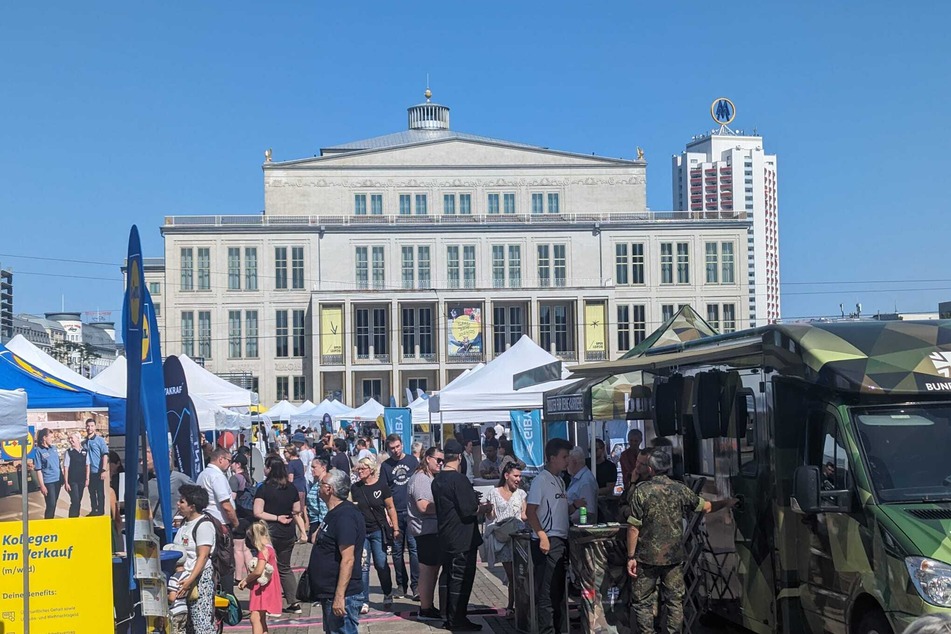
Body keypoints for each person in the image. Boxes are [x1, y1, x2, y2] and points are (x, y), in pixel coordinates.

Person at [626, 448, 737, 634]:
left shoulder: (641, 492)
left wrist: (631, 556)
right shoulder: (680, 489)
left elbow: (633, 527)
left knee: (643, 602)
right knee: (674, 601)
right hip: (673, 557)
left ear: (651, 469)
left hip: (646, 558)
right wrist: (726, 502)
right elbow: (706, 507)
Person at [432, 439, 491, 632]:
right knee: (461, 577)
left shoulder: (437, 480)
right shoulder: (459, 479)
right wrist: (484, 507)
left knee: (448, 576)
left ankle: (447, 616)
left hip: (445, 534)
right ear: (459, 457)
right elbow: (469, 509)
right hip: (462, 537)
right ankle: (457, 618)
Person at [305, 468, 363, 633]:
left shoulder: (345, 516)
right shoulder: (333, 513)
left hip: (343, 595)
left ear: (329, 489)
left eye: (321, 484)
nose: (318, 487)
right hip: (328, 592)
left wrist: (339, 596)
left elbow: (348, 559)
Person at [526, 438, 572, 634]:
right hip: (548, 541)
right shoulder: (541, 480)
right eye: (564, 457)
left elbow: (557, 510)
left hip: (561, 540)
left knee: (558, 591)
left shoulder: (560, 481)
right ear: (552, 458)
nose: (567, 460)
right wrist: (542, 536)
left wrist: (575, 506)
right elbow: (530, 512)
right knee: (546, 591)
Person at [253, 456, 308, 614]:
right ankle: (293, 601)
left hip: (268, 532)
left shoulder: (263, 488)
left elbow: (258, 512)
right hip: (287, 532)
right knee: (285, 567)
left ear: (270, 469)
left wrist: (276, 517)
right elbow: (297, 510)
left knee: (267, 567)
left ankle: (271, 603)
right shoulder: (291, 488)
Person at [351, 456, 399, 612]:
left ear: (371, 469)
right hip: (362, 532)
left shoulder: (382, 486)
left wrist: (396, 527)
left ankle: (387, 591)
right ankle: (364, 600)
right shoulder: (355, 488)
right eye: (358, 469)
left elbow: (390, 507)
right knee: (363, 566)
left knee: (381, 563)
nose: (359, 471)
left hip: (378, 530)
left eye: (362, 468)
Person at [483, 461, 527, 616]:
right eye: (515, 476)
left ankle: (518, 606)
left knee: (520, 574)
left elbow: (524, 515)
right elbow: (491, 516)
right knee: (512, 575)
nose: (518, 479)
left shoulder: (521, 494)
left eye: (520, 476)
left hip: (519, 539)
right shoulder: (494, 492)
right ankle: (512, 606)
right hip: (503, 540)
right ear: (506, 475)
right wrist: (487, 510)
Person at [380, 433, 420, 600]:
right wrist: (387, 514)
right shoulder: (386, 466)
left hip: (411, 512)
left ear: (402, 445)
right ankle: (401, 585)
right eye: (392, 448)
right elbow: (383, 492)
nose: (395, 451)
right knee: (397, 551)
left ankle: (416, 585)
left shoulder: (412, 461)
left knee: (414, 549)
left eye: (397, 447)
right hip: (395, 513)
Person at [173, 484, 217, 633]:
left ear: (192, 506)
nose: (178, 504)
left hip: (199, 579)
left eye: (182, 502)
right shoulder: (185, 523)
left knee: (201, 622)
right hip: (184, 578)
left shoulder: (204, 525)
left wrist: (190, 581)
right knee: (188, 624)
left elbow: (203, 556)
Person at [407, 446, 444, 621]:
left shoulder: (428, 477)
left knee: (432, 569)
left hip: (430, 529)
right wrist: (446, 508)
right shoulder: (421, 478)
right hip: (425, 530)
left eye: (442, 460)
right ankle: (426, 608)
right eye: (438, 459)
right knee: (428, 570)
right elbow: (423, 506)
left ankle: (428, 606)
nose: (441, 463)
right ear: (428, 458)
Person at [197, 447, 239, 593]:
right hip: (220, 524)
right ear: (221, 459)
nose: (230, 464)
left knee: (213, 560)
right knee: (225, 562)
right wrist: (235, 522)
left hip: (208, 521)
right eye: (229, 460)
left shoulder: (203, 474)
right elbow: (225, 504)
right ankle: (227, 596)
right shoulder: (217, 476)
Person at [239, 520, 283, 634]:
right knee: (261, 617)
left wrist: (246, 580)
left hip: (262, 589)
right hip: (269, 586)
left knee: (255, 618)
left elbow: (258, 571)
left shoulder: (263, 551)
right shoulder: (270, 547)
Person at [33, 428, 62, 519]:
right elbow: (38, 470)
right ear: (44, 438)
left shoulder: (54, 448)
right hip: (48, 482)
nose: (52, 439)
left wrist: (63, 478)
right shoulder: (38, 451)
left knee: (54, 504)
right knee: (51, 504)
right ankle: (47, 523)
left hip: (57, 480)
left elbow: (58, 464)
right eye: (51, 437)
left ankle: (51, 521)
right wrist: (42, 485)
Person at [82, 418, 109, 516]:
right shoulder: (84, 442)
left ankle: (101, 512)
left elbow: (105, 455)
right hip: (89, 473)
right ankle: (94, 510)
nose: (89, 428)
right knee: (91, 493)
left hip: (98, 471)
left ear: (95, 427)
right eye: (88, 426)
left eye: (92, 426)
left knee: (100, 493)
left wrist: (104, 470)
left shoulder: (100, 440)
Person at [566, 446, 599, 524]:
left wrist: (569, 519)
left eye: (568, 462)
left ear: (574, 462)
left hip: (580, 530)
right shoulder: (577, 479)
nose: (566, 464)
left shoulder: (585, 482)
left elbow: (589, 512)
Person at [62, 432, 88, 518]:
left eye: (72, 438)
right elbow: (66, 467)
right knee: (75, 500)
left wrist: (87, 479)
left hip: (82, 480)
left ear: (78, 439)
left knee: (79, 500)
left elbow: (87, 465)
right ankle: (72, 519)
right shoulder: (68, 452)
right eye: (69, 438)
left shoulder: (85, 451)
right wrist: (66, 482)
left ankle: (76, 517)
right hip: (72, 481)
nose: (70, 440)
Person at [165, 546, 190, 634]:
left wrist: (165, 597)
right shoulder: (188, 575)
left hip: (175, 611)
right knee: (182, 631)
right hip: (184, 609)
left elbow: (172, 598)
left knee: (173, 631)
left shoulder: (174, 578)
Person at [306, 457, 330, 539]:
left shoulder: (324, 485)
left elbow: (324, 510)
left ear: (323, 468)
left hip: (319, 524)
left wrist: (318, 530)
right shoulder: (317, 483)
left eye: (314, 467)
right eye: (311, 467)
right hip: (314, 522)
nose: (312, 470)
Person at [284, 445, 308, 529]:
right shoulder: (299, 461)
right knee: (301, 511)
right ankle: (305, 528)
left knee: (295, 513)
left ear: (290, 453)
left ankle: (300, 532)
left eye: (285, 452)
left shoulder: (291, 464)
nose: (284, 454)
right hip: (302, 488)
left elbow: (290, 479)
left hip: (295, 489)